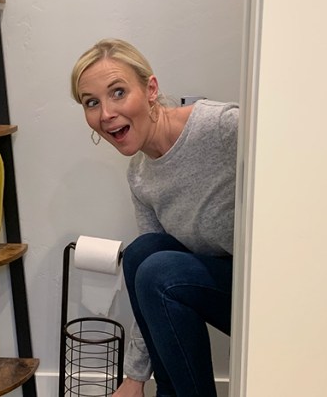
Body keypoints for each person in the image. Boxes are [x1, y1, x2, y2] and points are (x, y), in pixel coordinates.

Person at [70, 39, 238, 397]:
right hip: (224, 286)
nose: (106, 114)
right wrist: (134, 378)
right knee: (142, 253)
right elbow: (145, 285)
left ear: (151, 89)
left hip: (270, 287)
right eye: (92, 102)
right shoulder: (140, 176)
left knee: (158, 269)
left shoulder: (221, 128)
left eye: (118, 92)